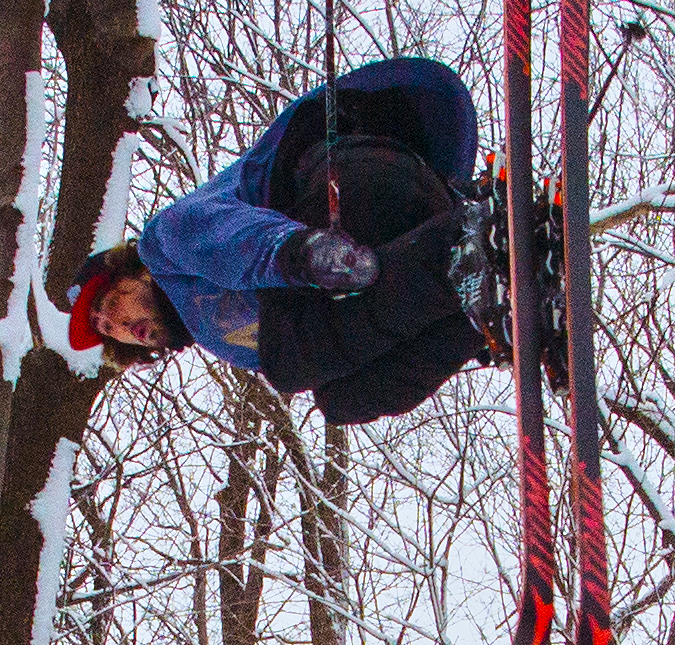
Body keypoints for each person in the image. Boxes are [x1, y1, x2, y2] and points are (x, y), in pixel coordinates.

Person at [66, 56, 547, 429]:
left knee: (291, 355)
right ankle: (486, 314)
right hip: (406, 230)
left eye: (109, 305)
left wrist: (302, 254)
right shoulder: (216, 335)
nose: (120, 325)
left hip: (353, 180)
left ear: (130, 273)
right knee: (341, 398)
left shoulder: (161, 247)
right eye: (109, 332)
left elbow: (223, 238)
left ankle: (469, 249)